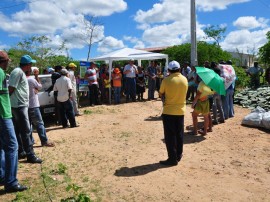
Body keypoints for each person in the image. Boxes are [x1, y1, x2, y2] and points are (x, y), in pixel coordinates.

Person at [0, 50, 28, 193]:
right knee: (12, 146)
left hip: (4, 113)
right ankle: (10, 182)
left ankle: (2, 176)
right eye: (6, 62)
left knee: (2, 146)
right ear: (3, 61)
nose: (7, 65)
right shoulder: (0, 72)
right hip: (3, 114)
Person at [9, 55, 42, 163]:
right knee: (26, 131)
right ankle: (30, 155)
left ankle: (22, 151)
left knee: (19, 130)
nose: (31, 66)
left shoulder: (19, 72)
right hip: (19, 105)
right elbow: (11, 88)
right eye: (31, 64)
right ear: (27, 65)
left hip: (19, 105)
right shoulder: (18, 72)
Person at [159, 61, 188, 166]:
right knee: (179, 134)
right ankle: (179, 155)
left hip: (169, 112)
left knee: (170, 136)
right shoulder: (185, 79)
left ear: (169, 70)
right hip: (180, 111)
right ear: (179, 69)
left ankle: (172, 159)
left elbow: (160, 93)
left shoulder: (166, 80)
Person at [27, 67, 55, 147]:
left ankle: (31, 141)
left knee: (29, 124)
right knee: (39, 124)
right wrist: (36, 76)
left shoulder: (22, 79)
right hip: (33, 105)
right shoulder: (32, 80)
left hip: (25, 106)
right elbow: (39, 87)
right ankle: (44, 141)